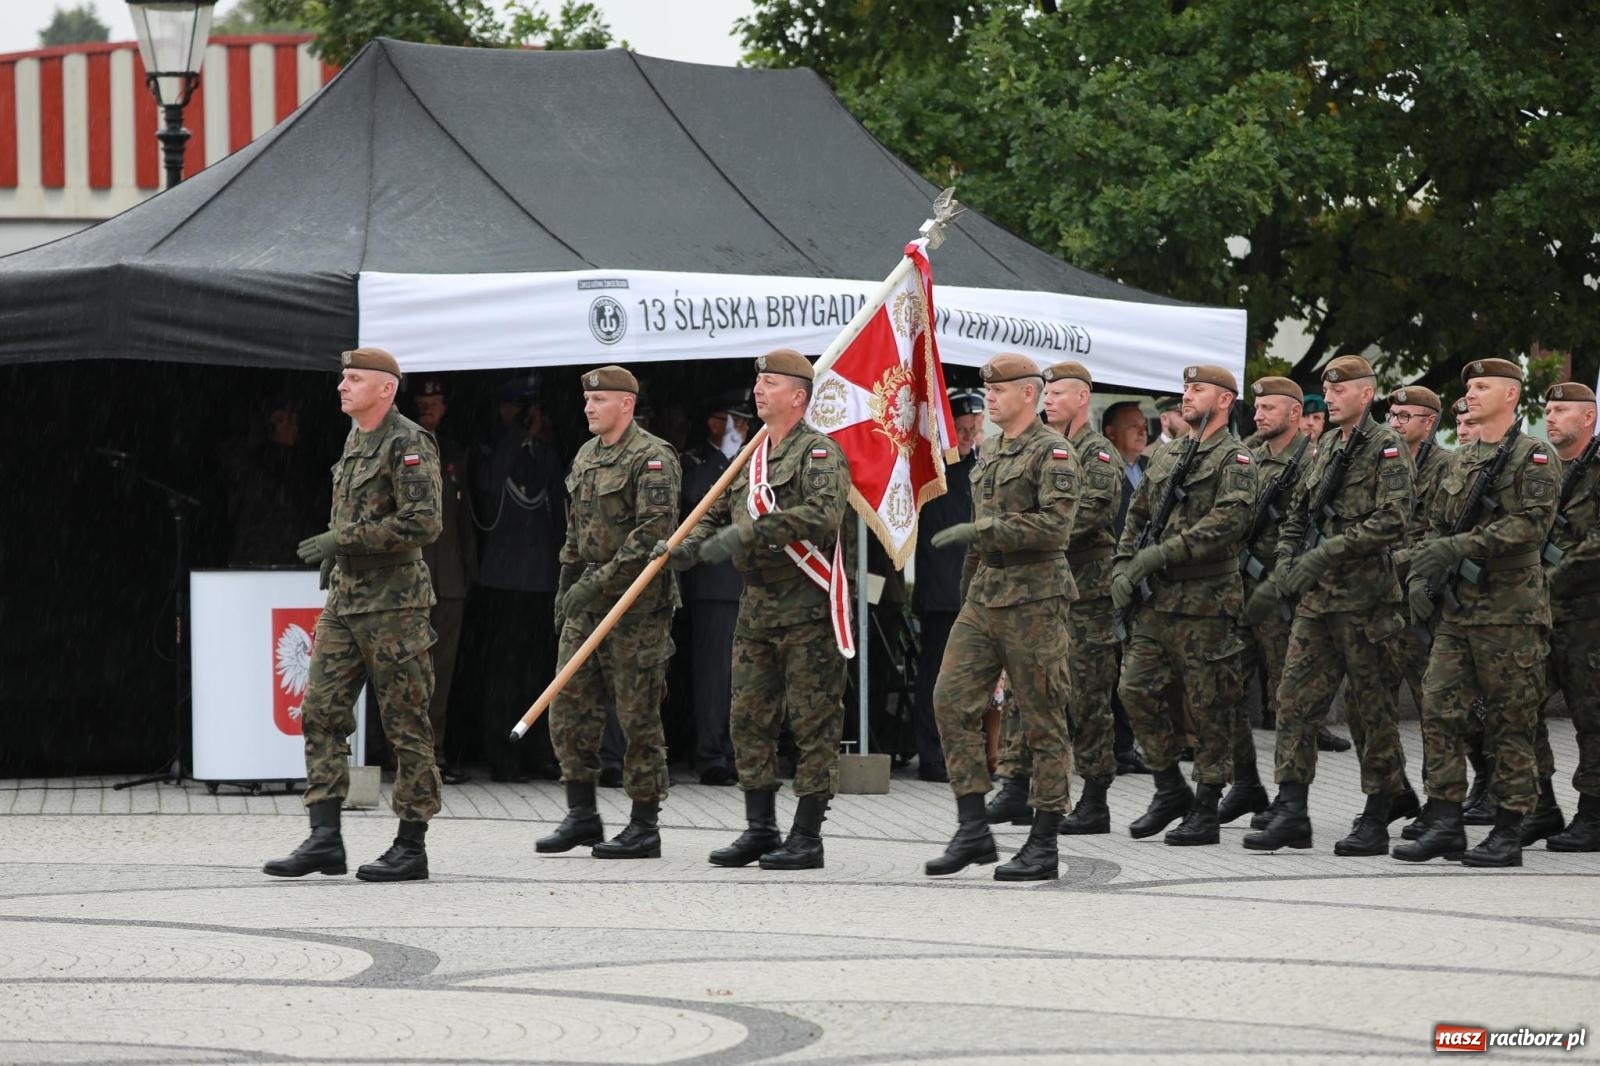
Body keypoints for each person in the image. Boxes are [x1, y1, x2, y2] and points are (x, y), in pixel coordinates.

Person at [661, 349, 853, 870]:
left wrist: (750, 532)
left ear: (797, 396)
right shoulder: (751, 454)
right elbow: (714, 513)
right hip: (757, 609)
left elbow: (822, 514)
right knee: (748, 719)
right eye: (758, 381)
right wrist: (686, 547)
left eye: (769, 382)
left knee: (812, 722)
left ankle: (807, 836)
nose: (758, 390)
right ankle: (760, 828)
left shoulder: (819, 454)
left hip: (807, 606)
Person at [265, 347, 442, 883]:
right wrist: (342, 557)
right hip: (347, 604)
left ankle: (411, 845)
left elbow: (423, 523)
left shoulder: (408, 442)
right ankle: (325, 838)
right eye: (342, 377)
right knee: (320, 713)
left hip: (395, 606)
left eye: (354, 378)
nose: (342, 386)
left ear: (385, 389)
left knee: (405, 724)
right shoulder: (355, 438)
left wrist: (343, 541)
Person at [1242, 356, 1419, 855]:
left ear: (1366, 394)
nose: (1331, 396)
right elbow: (1296, 517)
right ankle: (1293, 809)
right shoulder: (1323, 452)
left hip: (1366, 603)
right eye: (1326, 389)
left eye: (1341, 390)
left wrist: (1325, 553)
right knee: (1294, 703)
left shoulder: (1386, 447)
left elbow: (1394, 519)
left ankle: (1379, 813)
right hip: (1317, 606)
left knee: (1372, 711)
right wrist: (1284, 565)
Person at [1397, 358, 1561, 867]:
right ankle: (1445, 819)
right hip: (1458, 614)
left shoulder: (1534, 457)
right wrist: (1419, 570)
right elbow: (1430, 524)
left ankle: (1510, 828)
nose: (1470, 394)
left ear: (1511, 396)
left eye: (1483, 386)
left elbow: (1529, 527)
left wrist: (1454, 548)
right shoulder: (1458, 462)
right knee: (1439, 710)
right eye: (1469, 387)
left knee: (1510, 721)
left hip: (1510, 614)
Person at [923, 353, 1079, 882]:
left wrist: (987, 535)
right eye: (987, 389)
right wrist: (969, 580)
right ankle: (972, 826)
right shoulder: (989, 449)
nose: (989, 397)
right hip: (985, 595)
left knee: (1041, 719)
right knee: (949, 701)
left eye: (1000, 389)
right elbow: (977, 525)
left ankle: (1044, 843)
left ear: (1029, 395)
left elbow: (1055, 528)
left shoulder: (1052, 452)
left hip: (1035, 599)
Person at [536, 365, 681, 861]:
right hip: (586, 598)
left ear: (627, 404)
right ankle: (582, 813)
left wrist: (594, 585)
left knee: (637, 713)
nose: (589, 408)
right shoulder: (585, 457)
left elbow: (651, 538)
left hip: (636, 603)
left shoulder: (652, 458)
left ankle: (644, 824)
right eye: (587, 401)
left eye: (600, 401)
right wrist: (565, 591)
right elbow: (574, 536)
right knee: (569, 706)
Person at [1114, 364, 1256, 846]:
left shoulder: (1235, 459)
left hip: (1208, 602)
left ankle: (1207, 805)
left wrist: (1161, 553)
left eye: (1197, 390)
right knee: (1134, 688)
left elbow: (1226, 525)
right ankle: (1168, 786)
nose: (1187, 396)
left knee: (1210, 703)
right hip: (1159, 602)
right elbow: (1137, 513)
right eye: (1185, 388)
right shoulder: (1168, 454)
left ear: (1223, 401)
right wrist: (1123, 563)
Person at [1038, 361, 1124, 834]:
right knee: (1045, 697)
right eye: (1045, 393)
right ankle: (1037, 791)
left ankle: (1095, 799)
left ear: (1082, 399)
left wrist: (1034, 531)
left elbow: (1090, 512)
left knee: (1090, 699)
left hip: (1089, 598)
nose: (1047, 399)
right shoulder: (1044, 448)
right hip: (1048, 593)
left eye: (1057, 393)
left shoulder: (1097, 454)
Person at [1223, 376, 1307, 826]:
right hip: (1242, 593)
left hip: (1282, 596)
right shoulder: (1250, 458)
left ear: (1294, 413)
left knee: (1285, 698)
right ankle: (1245, 782)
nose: (1258, 415)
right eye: (1257, 408)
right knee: (1227, 686)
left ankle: (1288, 797)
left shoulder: (1314, 460)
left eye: (1269, 408)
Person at [472, 383, 566, 783]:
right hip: (504, 578)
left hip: (541, 577)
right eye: (517, 408)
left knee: (539, 672)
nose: (526, 417)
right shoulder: (488, 450)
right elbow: (491, 485)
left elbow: (557, 498)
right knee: (503, 676)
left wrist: (535, 438)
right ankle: (501, 753)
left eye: (532, 409)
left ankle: (537, 749)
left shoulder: (546, 455)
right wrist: (516, 435)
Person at [1532, 381, 1599, 850]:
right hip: (1540, 615)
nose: (1550, 417)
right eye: (1548, 410)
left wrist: (1546, 579)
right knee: (1517, 706)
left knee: (1591, 719)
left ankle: (1593, 814)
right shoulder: (1545, 470)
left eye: (1561, 410)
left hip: (1588, 618)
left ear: (1588, 418)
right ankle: (1540, 805)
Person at [679, 390, 754, 785]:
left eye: (744, 423)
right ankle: (710, 754)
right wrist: (726, 460)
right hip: (713, 584)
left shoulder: (746, 461)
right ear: (714, 424)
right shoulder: (698, 464)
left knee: (740, 675)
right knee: (713, 676)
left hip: (744, 582)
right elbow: (697, 500)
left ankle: (732, 749)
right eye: (735, 422)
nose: (743, 430)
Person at [911, 387, 985, 783]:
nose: (972, 432)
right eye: (964, 426)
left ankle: (964, 751)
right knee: (937, 676)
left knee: (971, 677)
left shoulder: (982, 465)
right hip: (942, 589)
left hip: (975, 588)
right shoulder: (936, 469)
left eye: (976, 425)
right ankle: (933, 756)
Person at [410, 377, 477, 786]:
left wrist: (471, 572)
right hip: (410, 579)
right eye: (420, 401)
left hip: (449, 579)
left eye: (433, 401)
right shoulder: (400, 446)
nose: (426, 407)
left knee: (442, 671)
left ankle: (434, 752)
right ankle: (405, 753)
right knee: (406, 671)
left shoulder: (453, 454)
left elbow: (465, 519)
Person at [1386, 384, 1447, 718]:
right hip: (1381, 599)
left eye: (1405, 416)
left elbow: (1441, 533)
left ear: (1430, 422)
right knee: (1372, 706)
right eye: (1393, 415)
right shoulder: (1385, 462)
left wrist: (1398, 561)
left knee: (1431, 705)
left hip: (1419, 599)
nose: (1396, 423)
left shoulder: (1445, 467)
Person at [1103, 400, 1149, 533]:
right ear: (1111, 432)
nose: (1142, 432)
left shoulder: (1153, 464)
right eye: (1134, 426)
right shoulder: (1101, 467)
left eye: (1144, 426)